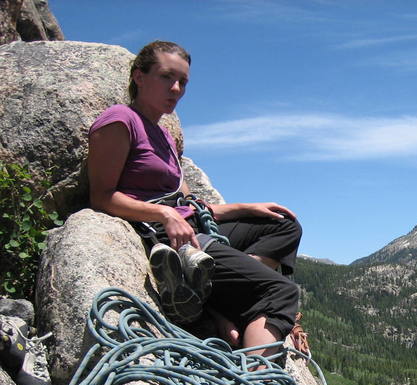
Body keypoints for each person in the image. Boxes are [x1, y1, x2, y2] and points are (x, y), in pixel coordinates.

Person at [88, 40, 302, 357]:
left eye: (183, 82)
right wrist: (164, 215)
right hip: (162, 233)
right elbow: (102, 198)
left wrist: (248, 207)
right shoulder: (120, 121)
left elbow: (192, 206)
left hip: (188, 225)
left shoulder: (163, 135)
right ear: (139, 76)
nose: (175, 88)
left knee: (283, 225)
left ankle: (216, 298)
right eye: (166, 77)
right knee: (280, 291)